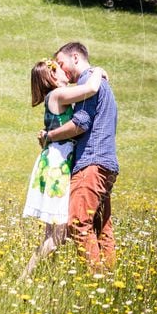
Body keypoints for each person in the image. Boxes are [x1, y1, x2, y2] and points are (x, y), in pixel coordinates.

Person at [21, 59, 108, 279]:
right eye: (60, 69)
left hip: (53, 163)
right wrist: (97, 70)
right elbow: (91, 88)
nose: (65, 71)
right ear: (52, 76)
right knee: (58, 233)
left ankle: (43, 276)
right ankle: (25, 277)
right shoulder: (58, 95)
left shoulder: (54, 97)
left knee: (55, 231)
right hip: (57, 167)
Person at [39, 42, 119, 273]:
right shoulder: (100, 81)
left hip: (91, 163)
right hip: (107, 163)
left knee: (78, 222)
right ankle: (111, 277)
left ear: (75, 57)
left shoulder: (87, 82)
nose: (62, 70)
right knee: (101, 225)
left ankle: (97, 278)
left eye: (61, 63)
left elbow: (80, 123)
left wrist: (49, 136)